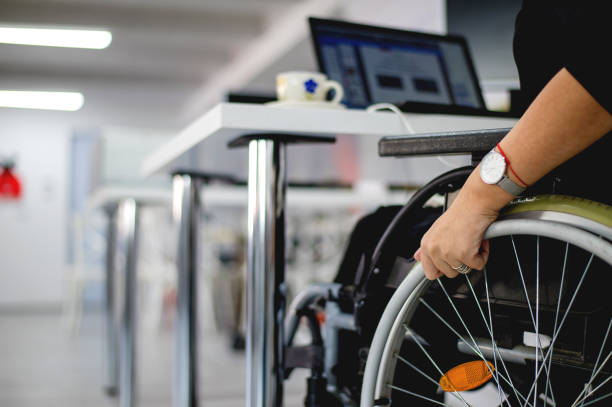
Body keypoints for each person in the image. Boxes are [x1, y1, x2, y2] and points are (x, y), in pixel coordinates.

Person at [414, 0, 612, 280]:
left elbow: (598, 71)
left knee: (377, 231)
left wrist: (477, 199)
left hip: (579, 233)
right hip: (573, 219)